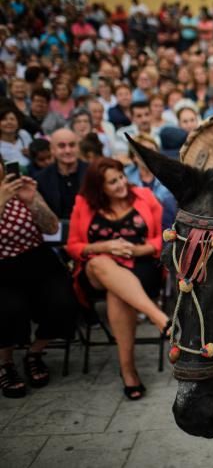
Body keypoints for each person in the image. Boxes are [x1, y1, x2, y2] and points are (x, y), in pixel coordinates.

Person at [66, 157, 170, 400]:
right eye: (112, 182)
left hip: (142, 268)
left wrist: (137, 250)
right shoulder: (84, 203)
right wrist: (105, 246)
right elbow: (72, 246)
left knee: (118, 293)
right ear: (99, 187)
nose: (121, 183)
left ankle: (129, 371)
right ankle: (160, 318)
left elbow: (163, 238)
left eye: (122, 177)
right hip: (96, 273)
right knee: (100, 263)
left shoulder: (144, 196)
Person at [0, 160, 75, 398]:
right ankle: (6, 364)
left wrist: (32, 200)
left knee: (63, 301)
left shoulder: (19, 189)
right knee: (9, 309)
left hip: (36, 257)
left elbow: (52, 227)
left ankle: (35, 353)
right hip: (2, 265)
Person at [125, 133, 177, 228]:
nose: (147, 155)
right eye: (141, 151)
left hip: (166, 223)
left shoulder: (171, 174)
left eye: (151, 150)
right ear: (133, 157)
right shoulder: (125, 177)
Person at [0, 104, 32, 170]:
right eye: (4, 119)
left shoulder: (24, 134)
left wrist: (32, 154)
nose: (9, 122)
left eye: (12, 119)